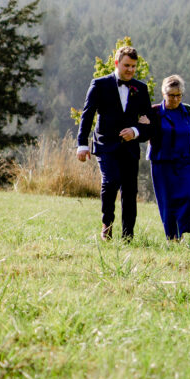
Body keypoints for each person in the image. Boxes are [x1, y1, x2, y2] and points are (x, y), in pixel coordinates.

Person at [76, 46, 152, 240]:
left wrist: (135, 131)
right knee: (110, 182)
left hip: (130, 149)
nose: (130, 70)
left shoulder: (141, 89)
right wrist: (82, 144)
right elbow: (87, 115)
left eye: (134, 66)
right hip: (105, 145)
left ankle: (128, 236)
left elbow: (148, 123)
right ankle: (107, 224)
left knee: (129, 191)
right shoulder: (99, 84)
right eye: (127, 65)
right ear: (117, 63)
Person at [144, 75, 190, 241]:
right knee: (168, 201)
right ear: (164, 94)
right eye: (171, 95)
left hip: (186, 162)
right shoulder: (155, 111)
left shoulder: (189, 112)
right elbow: (145, 133)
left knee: (189, 197)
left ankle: (182, 230)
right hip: (162, 162)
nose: (175, 99)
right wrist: (143, 123)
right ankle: (173, 237)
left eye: (179, 95)